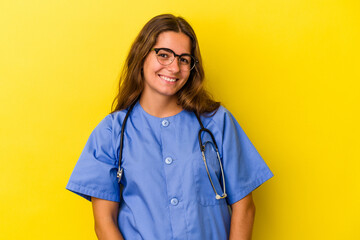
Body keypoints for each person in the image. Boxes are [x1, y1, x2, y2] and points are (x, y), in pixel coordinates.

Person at [66, 14, 273, 240]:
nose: (174, 67)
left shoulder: (217, 122)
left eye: (184, 59)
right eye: (164, 55)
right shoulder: (112, 132)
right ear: (141, 55)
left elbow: (244, 207)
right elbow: (104, 222)